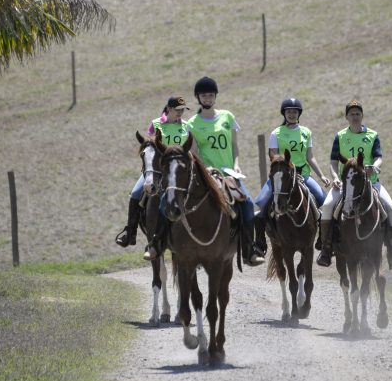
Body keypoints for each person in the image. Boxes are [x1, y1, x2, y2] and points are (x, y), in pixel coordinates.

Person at [316, 99, 392, 268]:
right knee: (327, 206)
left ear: (362, 115)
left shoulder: (372, 135)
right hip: (346, 184)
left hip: (370, 182)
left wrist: (374, 167)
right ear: (346, 117)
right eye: (352, 114)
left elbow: (379, 156)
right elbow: (333, 161)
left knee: (391, 209)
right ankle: (326, 249)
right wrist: (335, 176)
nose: (355, 116)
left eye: (358, 114)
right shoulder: (340, 136)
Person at [187, 76, 264, 266]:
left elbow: (235, 146)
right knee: (189, 204)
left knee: (247, 205)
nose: (208, 98)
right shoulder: (192, 124)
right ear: (198, 97)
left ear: (215, 97)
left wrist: (236, 164)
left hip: (230, 173)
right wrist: (205, 169)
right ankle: (191, 250)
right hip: (207, 174)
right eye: (204, 95)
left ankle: (249, 250)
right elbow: (194, 153)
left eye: (211, 95)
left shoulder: (228, 117)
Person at [115, 96, 190, 258]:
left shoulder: (187, 126)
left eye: (182, 110)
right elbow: (148, 144)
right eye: (177, 110)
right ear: (169, 109)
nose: (180, 113)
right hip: (157, 170)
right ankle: (130, 232)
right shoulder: (156, 124)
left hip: (177, 172)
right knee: (135, 193)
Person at [253, 98, 330, 253]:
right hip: (282, 176)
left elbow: (310, 157)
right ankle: (260, 243)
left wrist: (321, 176)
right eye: (289, 112)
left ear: (298, 114)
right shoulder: (276, 133)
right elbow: (273, 156)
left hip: (303, 175)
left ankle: (323, 241)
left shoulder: (306, 132)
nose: (292, 114)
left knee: (324, 201)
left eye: (295, 112)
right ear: (284, 114)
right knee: (261, 202)